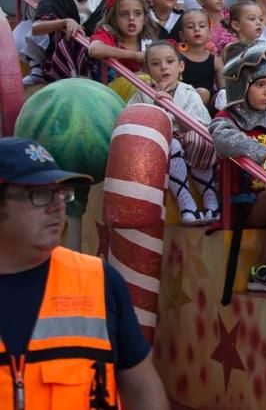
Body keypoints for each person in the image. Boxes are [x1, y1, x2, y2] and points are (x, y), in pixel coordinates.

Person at [0, 137, 169, 409]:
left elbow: (141, 390)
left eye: (60, 193)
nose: (57, 206)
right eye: (39, 194)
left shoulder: (100, 280)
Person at [209, 41, 266, 293]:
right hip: (244, 203)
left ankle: (264, 268)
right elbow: (224, 140)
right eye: (260, 85)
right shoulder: (226, 119)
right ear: (241, 86)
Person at [129, 41, 219, 224]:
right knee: (172, 144)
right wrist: (158, 108)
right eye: (155, 63)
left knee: (200, 140)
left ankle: (211, 200)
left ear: (181, 66)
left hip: (190, 142)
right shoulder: (141, 95)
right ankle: (187, 204)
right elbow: (135, 126)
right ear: (147, 70)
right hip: (162, 145)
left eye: (170, 61)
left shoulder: (189, 93)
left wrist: (173, 108)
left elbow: (201, 127)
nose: (163, 67)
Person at [32, 0, 105, 82]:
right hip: (59, 61)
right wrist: (64, 22)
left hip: (95, 63)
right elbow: (36, 28)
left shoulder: (100, 4)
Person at [2, 0, 58, 86]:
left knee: (33, 30)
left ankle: (38, 70)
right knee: (17, 34)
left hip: (50, 33)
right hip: (32, 26)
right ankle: (35, 68)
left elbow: (47, 16)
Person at [88, 0, 157, 76]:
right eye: (124, 14)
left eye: (137, 14)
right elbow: (94, 50)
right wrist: (135, 55)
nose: (131, 18)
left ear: (145, 19)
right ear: (114, 19)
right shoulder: (107, 35)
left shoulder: (149, 43)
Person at [176, 9, 224, 107]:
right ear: (182, 35)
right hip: (182, 103)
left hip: (208, 105)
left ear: (210, 33)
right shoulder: (176, 58)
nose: (197, 29)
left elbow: (223, 89)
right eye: (190, 27)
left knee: (222, 95)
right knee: (201, 93)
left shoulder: (216, 60)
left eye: (202, 26)